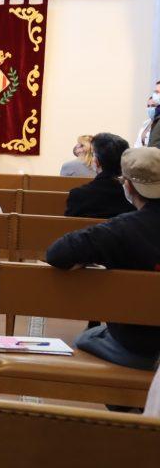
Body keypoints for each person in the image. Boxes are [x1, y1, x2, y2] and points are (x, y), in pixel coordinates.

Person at [46, 146, 160, 372]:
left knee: (84, 339)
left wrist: (88, 258)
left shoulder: (122, 228)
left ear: (128, 186)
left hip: (138, 347)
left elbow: (57, 253)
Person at [64, 133, 135, 219]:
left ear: (96, 162)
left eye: (93, 154)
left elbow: (69, 225)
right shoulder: (133, 196)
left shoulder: (78, 195)